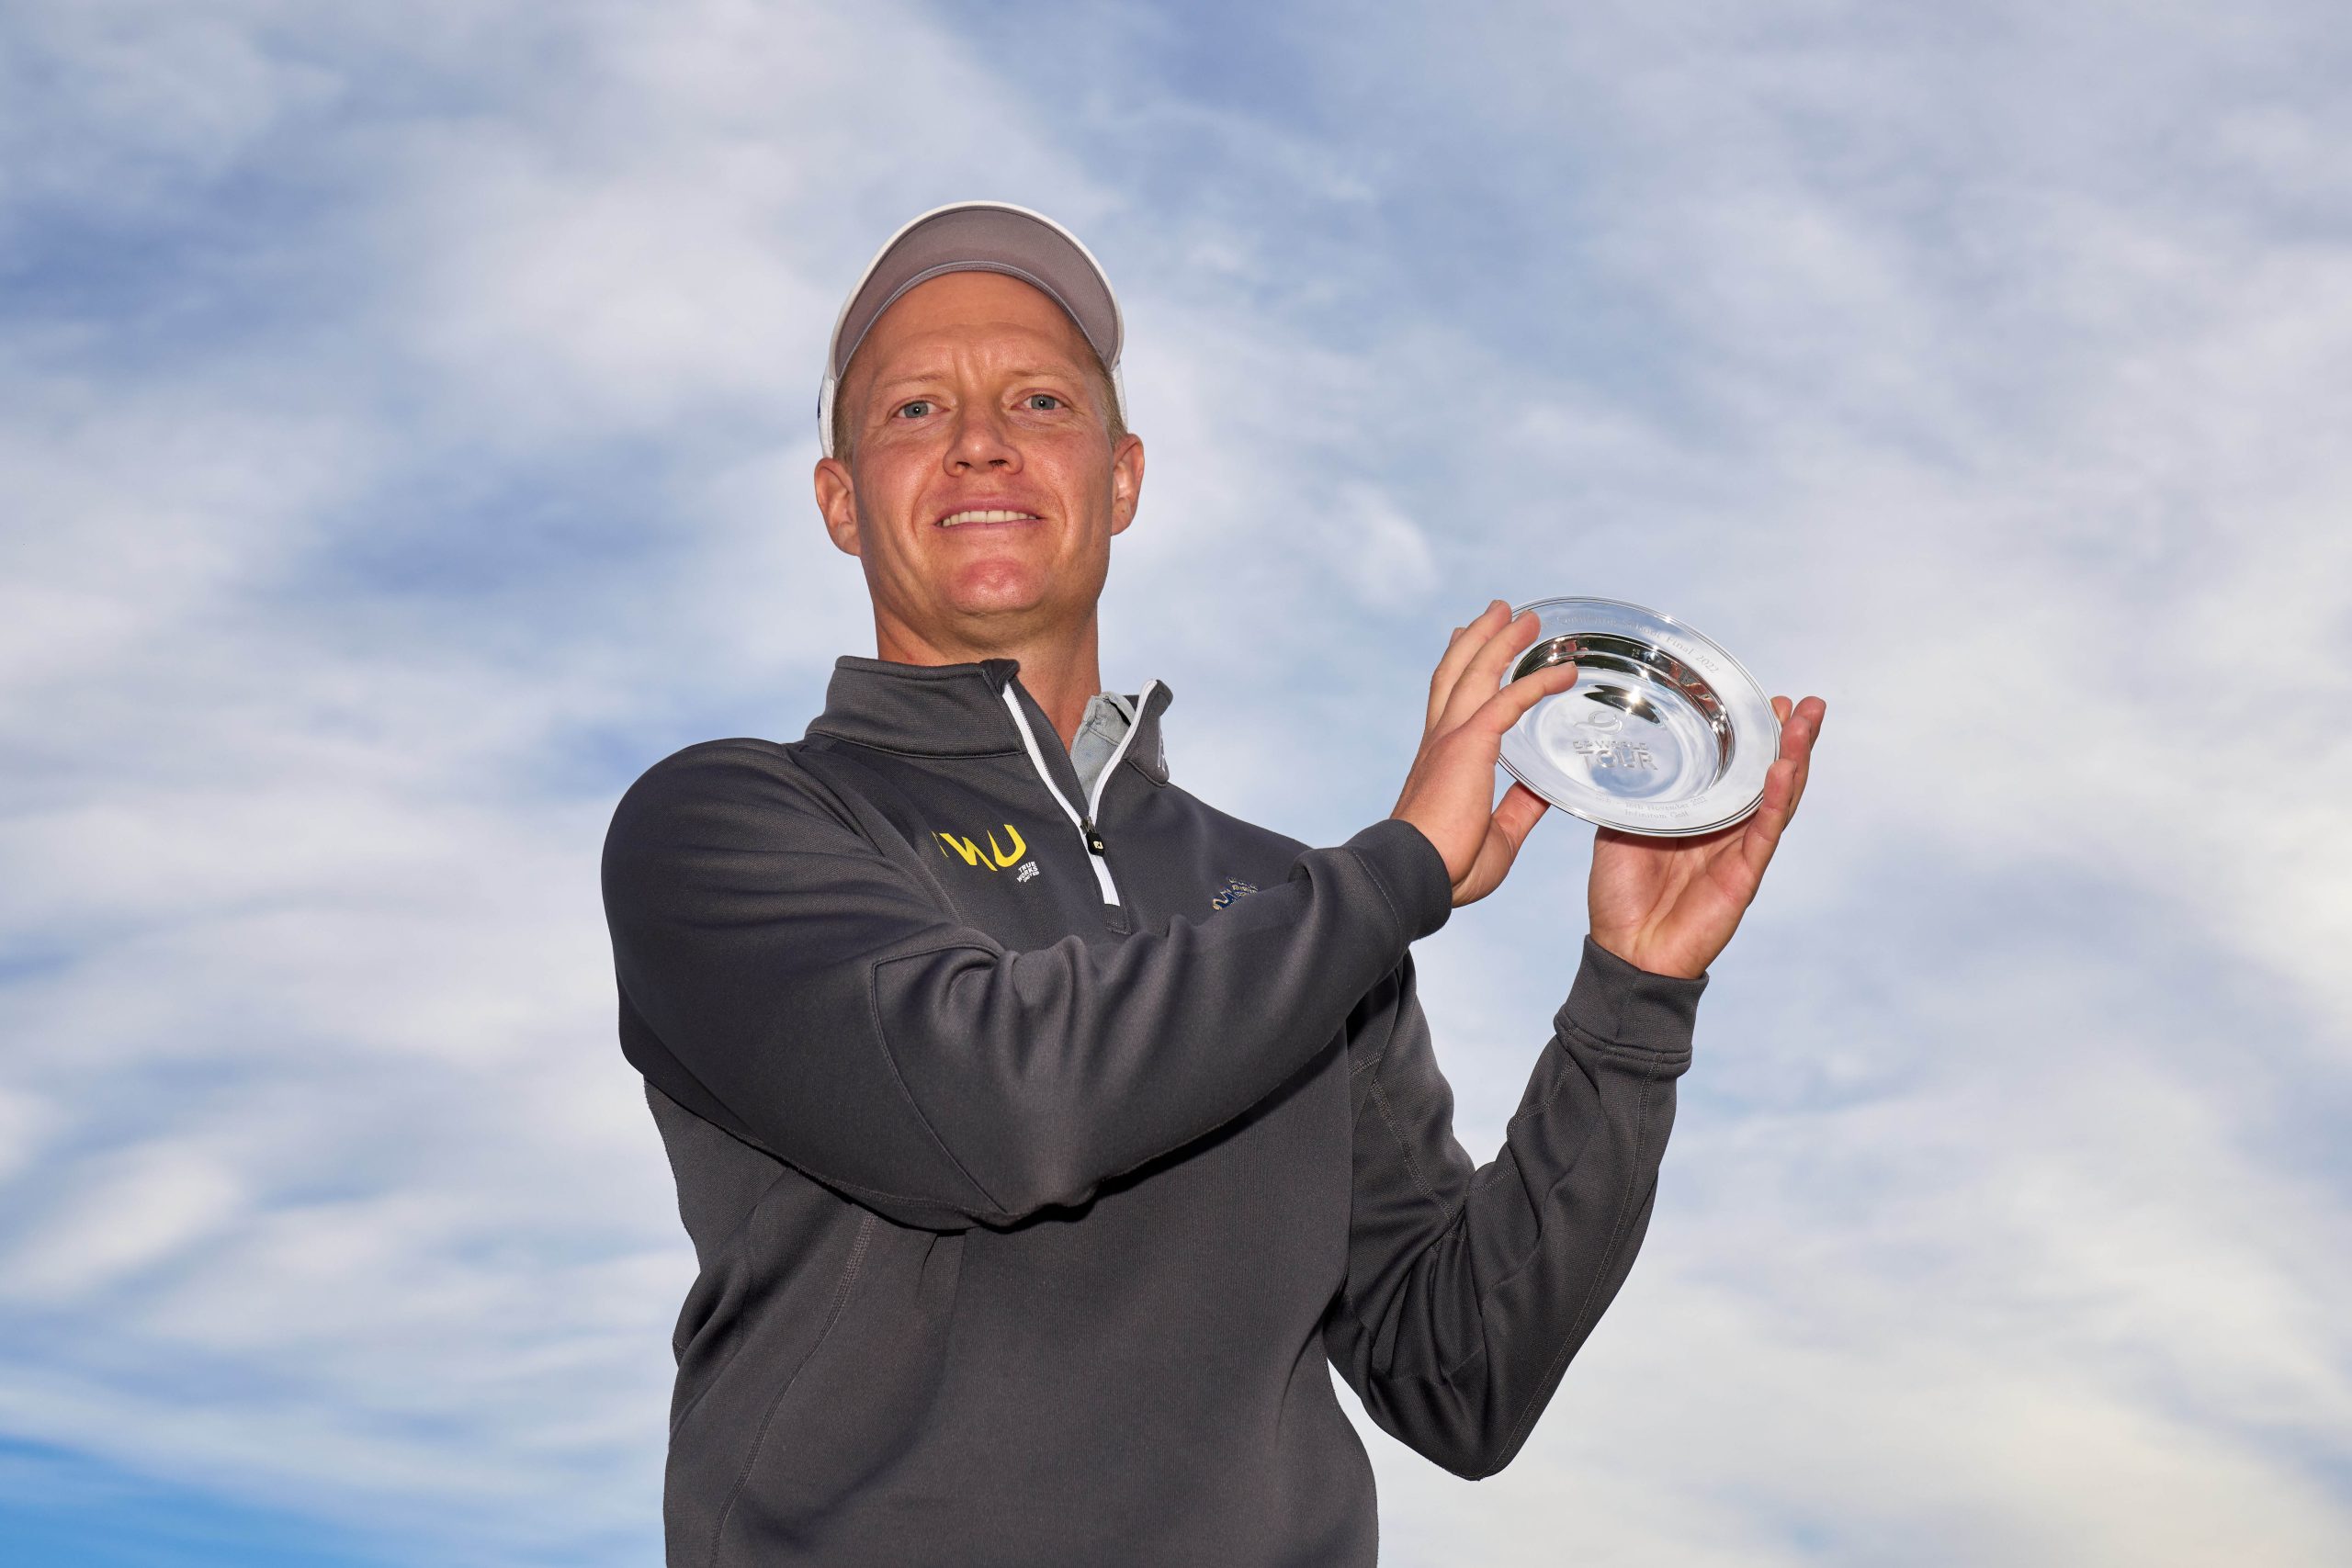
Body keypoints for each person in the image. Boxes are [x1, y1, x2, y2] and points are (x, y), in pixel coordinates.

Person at [601, 201, 1826, 1567]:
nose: (981, 441)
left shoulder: (1283, 901)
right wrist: (1399, 869)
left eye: (1041, 399)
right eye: (913, 411)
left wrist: (1632, 1005)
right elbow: (1001, 1108)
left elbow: (1458, 1375)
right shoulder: (731, 823)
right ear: (840, 501)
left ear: (1122, 478)